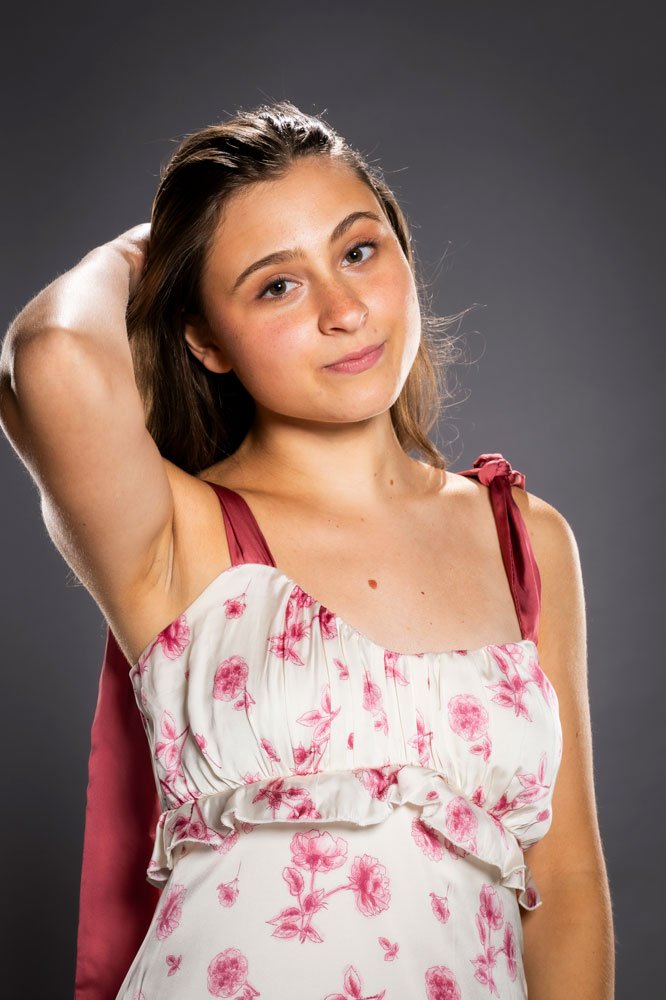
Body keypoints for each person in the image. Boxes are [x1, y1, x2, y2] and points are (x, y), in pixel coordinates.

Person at [0, 100, 613, 999]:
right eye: (275, 286)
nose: (345, 310)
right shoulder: (180, 535)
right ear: (205, 338)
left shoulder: (523, 537)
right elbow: (50, 355)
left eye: (358, 251)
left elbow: (567, 888)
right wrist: (148, 251)